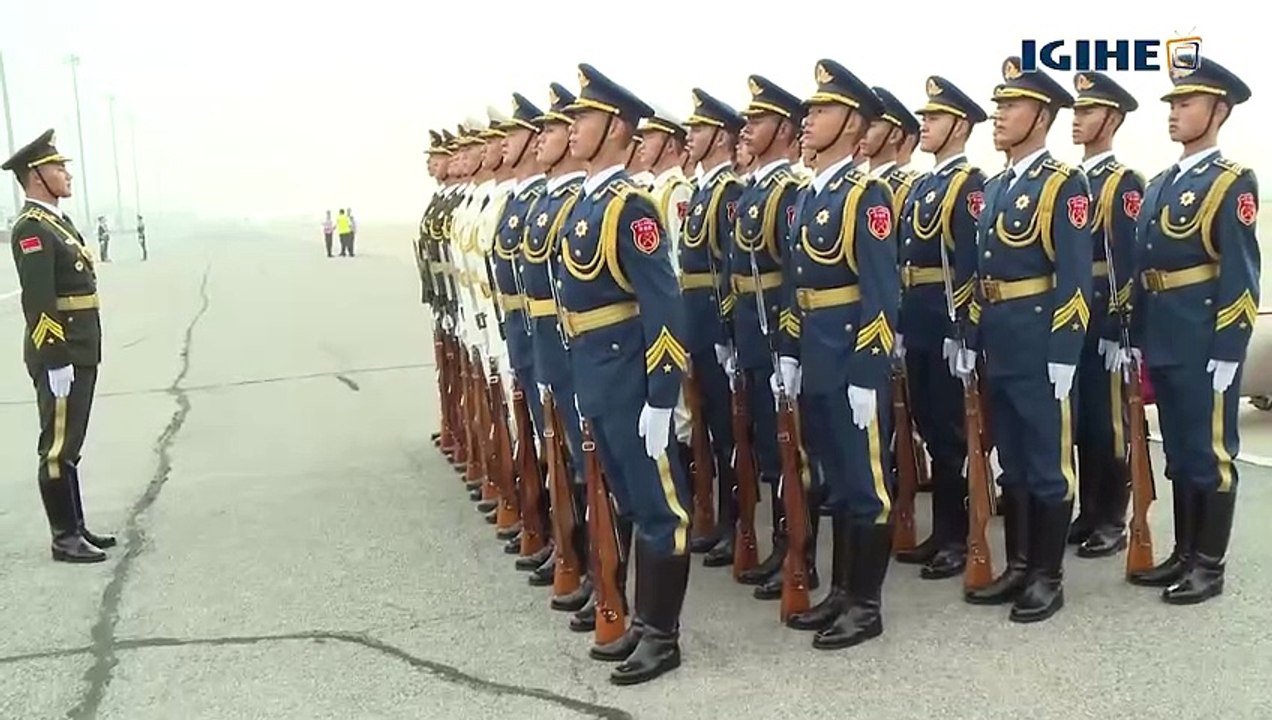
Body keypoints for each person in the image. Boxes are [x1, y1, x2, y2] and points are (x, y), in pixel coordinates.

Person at [557, 62, 691, 686]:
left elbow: (665, 305)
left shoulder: (631, 208)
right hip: (597, 377)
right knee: (631, 503)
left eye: (584, 117)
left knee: (661, 508)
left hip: (633, 380)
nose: (573, 127)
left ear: (615, 127)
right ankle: (643, 620)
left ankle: (663, 636)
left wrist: (662, 396)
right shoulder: (585, 205)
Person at [961, 57, 1090, 624]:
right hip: (1000, 340)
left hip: (1039, 342)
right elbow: (979, 273)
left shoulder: (1063, 184)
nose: (998, 116)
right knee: (1011, 460)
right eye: (998, 106)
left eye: (1010, 106)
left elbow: (1075, 277)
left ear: (1040, 116)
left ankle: (1046, 575)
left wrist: (1064, 350)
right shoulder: (995, 188)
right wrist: (970, 335)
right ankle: (1018, 565)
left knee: (1046, 463)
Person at [775, 59, 898, 650]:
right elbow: (794, 285)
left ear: (852, 124)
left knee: (865, 485)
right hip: (816, 361)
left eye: (821, 109)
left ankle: (865, 606)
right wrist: (788, 352)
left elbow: (882, 293)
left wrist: (868, 371)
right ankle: (843, 593)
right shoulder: (805, 198)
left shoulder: (866, 196)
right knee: (838, 483)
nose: (808, 118)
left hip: (850, 360)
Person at [1128, 58, 1257, 605]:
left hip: (1203, 338)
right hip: (1164, 335)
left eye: (1186, 103)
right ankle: (1183, 554)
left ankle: (1209, 565)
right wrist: (1136, 337)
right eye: (1173, 104)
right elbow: (1143, 268)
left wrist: (1229, 345)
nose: (1174, 113)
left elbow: (1241, 272)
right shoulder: (1160, 183)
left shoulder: (1231, 181)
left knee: (1212, 453)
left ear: (1218, 111)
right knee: (1180, 450)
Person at [2, 129, 115, 563]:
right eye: (58, 167)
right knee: (56, 447)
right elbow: (38, 299)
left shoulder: (56, 222)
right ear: (36, 176)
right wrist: (54, 357)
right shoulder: (31, 228)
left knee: (71, 443)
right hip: (62, 351)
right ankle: (64, 538)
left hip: (80, 346)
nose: (67, 174)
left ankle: (76, 526)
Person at [894, 76, 987, 580]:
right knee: (929, 425)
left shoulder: (967, 184)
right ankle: (942, 532)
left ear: (960, 126)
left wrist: (965, 331)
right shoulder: (924, 186)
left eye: (934, 118)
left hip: (948, 320)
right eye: (925, 117)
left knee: (953, 433)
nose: (924, 125)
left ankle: (960, 535)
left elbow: (971, 261)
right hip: (920, 318)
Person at [728, 74, 811, 601]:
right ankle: (783, 543)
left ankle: (799, 553)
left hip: (777, 332)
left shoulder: (788, 192)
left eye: (757, 120)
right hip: (751, 332)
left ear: (783, 129)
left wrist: (788, 346)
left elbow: (794, 278)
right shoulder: (754, 190)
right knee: (767, 442)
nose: (746, 127)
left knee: (789, 450)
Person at [1068, 71, 1145, 559]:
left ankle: (1113, 518)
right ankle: (1088, 509)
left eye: (1088, 111)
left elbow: (1131, 261)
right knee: (1081, 418)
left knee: (1109, 421)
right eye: (1076, 111)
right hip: (1075, 314)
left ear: (1112, 119)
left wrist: (1124, 327)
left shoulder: (1122, 183)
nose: (1077, 119)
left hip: (1106, 315)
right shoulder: (1071, 181)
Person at [679, 88, 744, 567]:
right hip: (696, 321)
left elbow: (729, 269)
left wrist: (727, 333)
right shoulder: (702, 192)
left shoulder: (727, 193)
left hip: (716, 323)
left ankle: (737, 525)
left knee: (729, 430)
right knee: (710, 428)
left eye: (699, 128)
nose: (690, 134)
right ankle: (722, 521)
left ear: (721, 137)